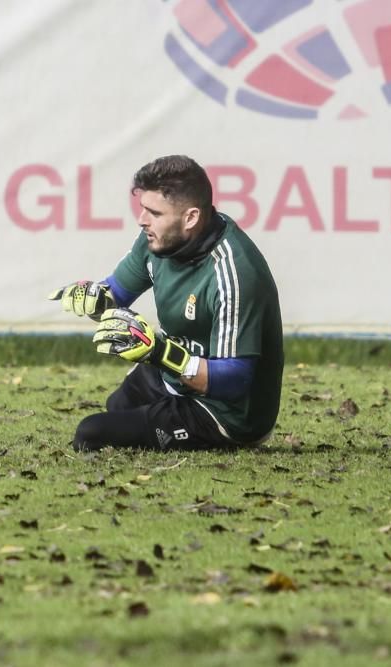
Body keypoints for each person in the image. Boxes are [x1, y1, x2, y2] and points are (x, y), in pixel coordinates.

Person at [49, 155, 283, 451]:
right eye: (143, 209)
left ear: (191, 218)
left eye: (154, 213)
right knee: (117, 407)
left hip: (226, 414)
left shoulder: (235, 272)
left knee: (91, 433)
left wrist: (160, 352)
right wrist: (95, 298)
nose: (142, 220)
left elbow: (235, 380)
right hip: (176, 375)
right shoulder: (157, 239)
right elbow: (117, 292)